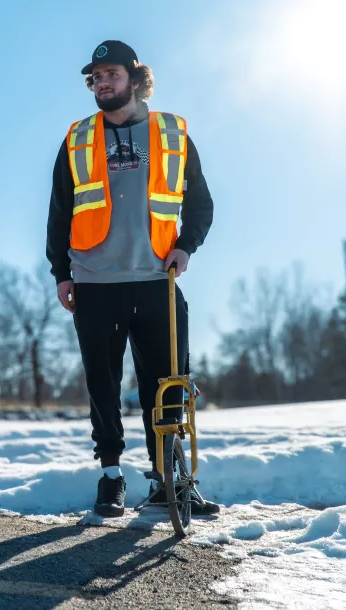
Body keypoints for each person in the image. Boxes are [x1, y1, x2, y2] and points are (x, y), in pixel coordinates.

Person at [45, 40, 219, 518]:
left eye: (111, 75)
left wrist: (186, 246)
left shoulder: (172, 133)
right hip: (95, 282)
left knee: (167, 384)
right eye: (95, 77)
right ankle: (111, 478)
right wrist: (62, 272)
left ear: (135, 79)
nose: (102, 83)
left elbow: (200, 204)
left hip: (155, 280)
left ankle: (170, 480)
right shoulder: (78, 137)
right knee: (103, 385)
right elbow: (60, 211)